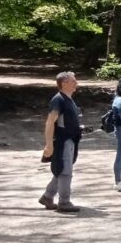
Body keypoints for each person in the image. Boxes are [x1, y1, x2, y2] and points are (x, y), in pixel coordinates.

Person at [39, 71, 83, 213]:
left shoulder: (68, 99)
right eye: (73, 81)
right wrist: (49, 144)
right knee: (65, 171)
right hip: (63, 141)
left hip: (71, 140)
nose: (76, 83)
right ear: (64, 83)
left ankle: (47, 196)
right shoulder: (58, 99)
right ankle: (64, 202)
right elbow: (50, 122)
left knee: (62, 170)